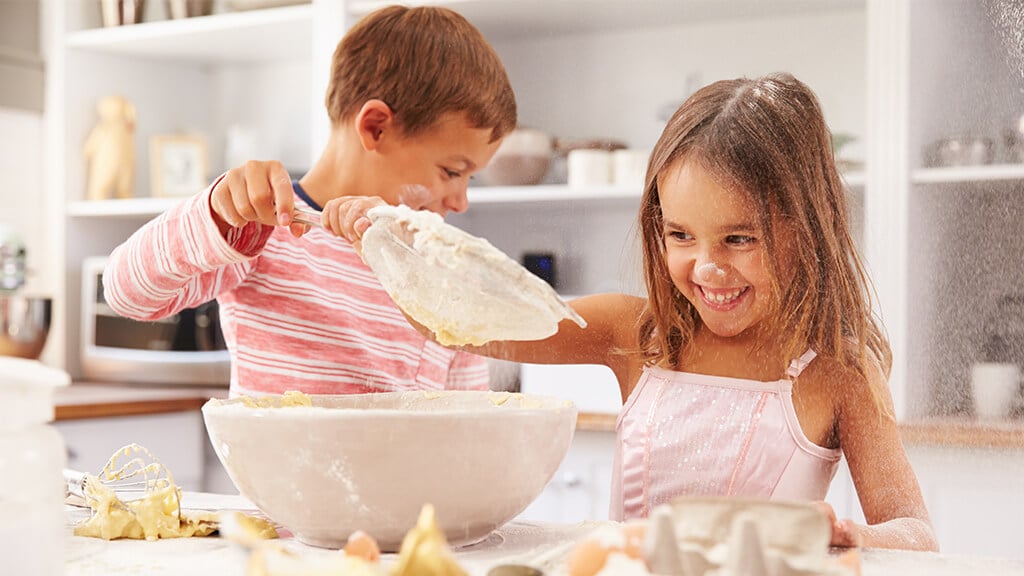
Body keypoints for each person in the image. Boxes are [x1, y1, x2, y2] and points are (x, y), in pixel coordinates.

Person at [322, 73, 938, 551]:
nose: (707, 268)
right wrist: (380, 243)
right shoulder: (635, 334)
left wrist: (853, 534)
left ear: (807, 228)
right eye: (680, 236)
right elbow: (457, 325)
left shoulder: (837, 372)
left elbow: (916, 534)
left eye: (740, 239)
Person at [103, 5, 517, 397]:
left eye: (470, 178)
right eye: (451, 172)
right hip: (279, 474)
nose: (461, 202)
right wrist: (216, 214)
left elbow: (469, 418)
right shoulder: (260, 230)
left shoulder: (444, 270)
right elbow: (125, 292)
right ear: (375, 128)